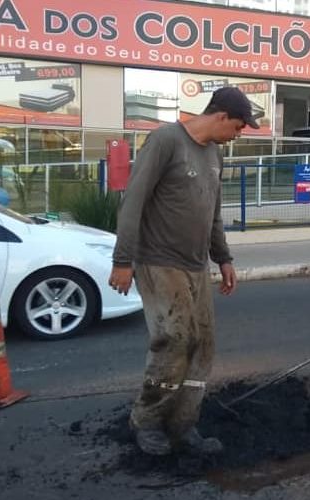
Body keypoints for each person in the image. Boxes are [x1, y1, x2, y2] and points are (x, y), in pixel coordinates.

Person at [109, 86, 259, 457]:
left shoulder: (214, 156)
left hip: (195, 266)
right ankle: (146, 420)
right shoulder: (165, 141)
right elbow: (133, 202)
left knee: (202, 345)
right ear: (221, 116)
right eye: (238, 127)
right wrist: (123, 260)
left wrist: (223, 258)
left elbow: (214, 213)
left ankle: (182, 423)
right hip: (159, 261)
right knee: (174, 341)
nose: (238, 135)